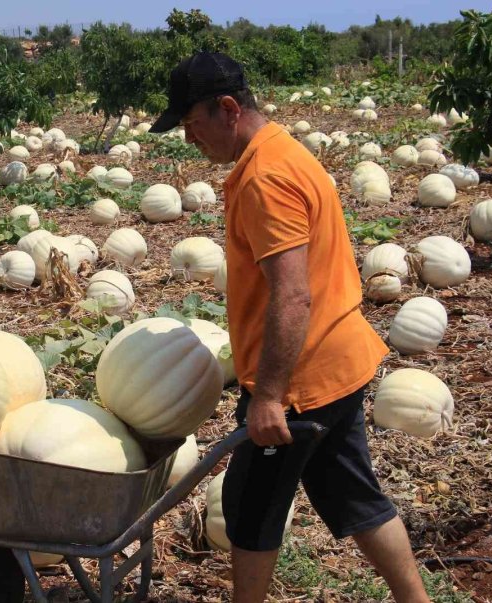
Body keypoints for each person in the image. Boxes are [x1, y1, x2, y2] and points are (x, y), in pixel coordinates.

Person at [149, 52, 431, 603]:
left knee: (250, 508)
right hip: (337, 361)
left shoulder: (264, 178)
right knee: (355, 497)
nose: (189, 141)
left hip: (301, 380)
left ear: (227, 108)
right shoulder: (283, 150)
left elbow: (293, 294)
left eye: (192, 125)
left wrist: (270, 396)